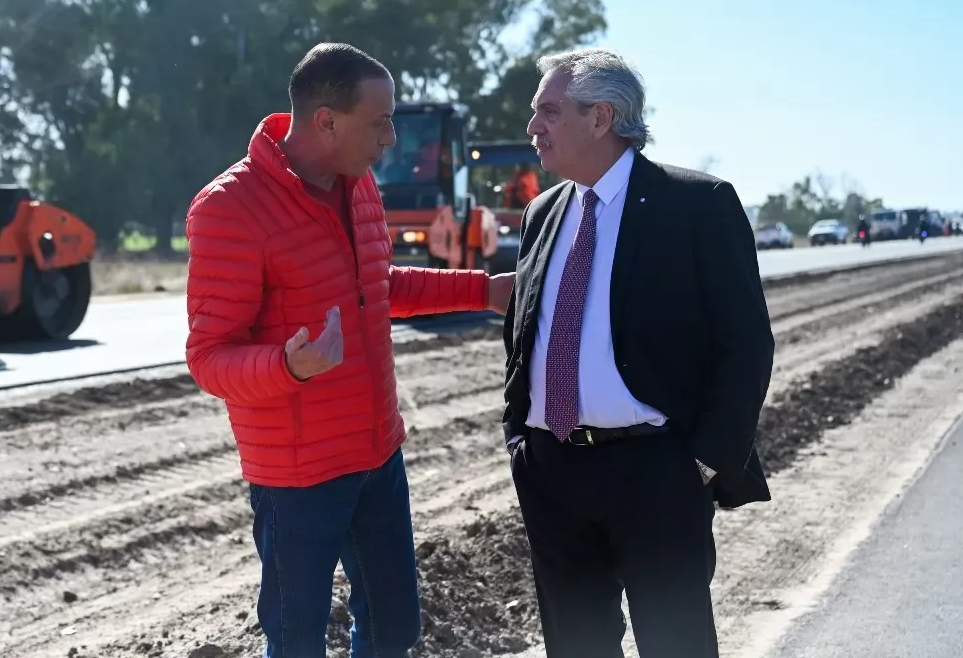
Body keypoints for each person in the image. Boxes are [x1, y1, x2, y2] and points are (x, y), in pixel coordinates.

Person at [185, 42, 515, 658]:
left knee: (395, 630)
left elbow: (379, 288)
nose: (391, 136)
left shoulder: (359, 187)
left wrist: (484, 290)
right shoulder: (229, 208)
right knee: (297, 642)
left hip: (376, 452)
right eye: (380, 120)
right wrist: (289, 365)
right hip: (297, 475)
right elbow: (209, 357)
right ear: (327, 121)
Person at [500, 47, 775, 657]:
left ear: (601, 117)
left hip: (658, 473)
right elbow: (524, 331)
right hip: (552, 472)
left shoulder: (696, 204)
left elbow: (746, 344)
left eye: (548, 111)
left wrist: (706, 462)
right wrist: (521, 439)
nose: (533, 126)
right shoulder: (543, 213)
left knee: (676, 644)